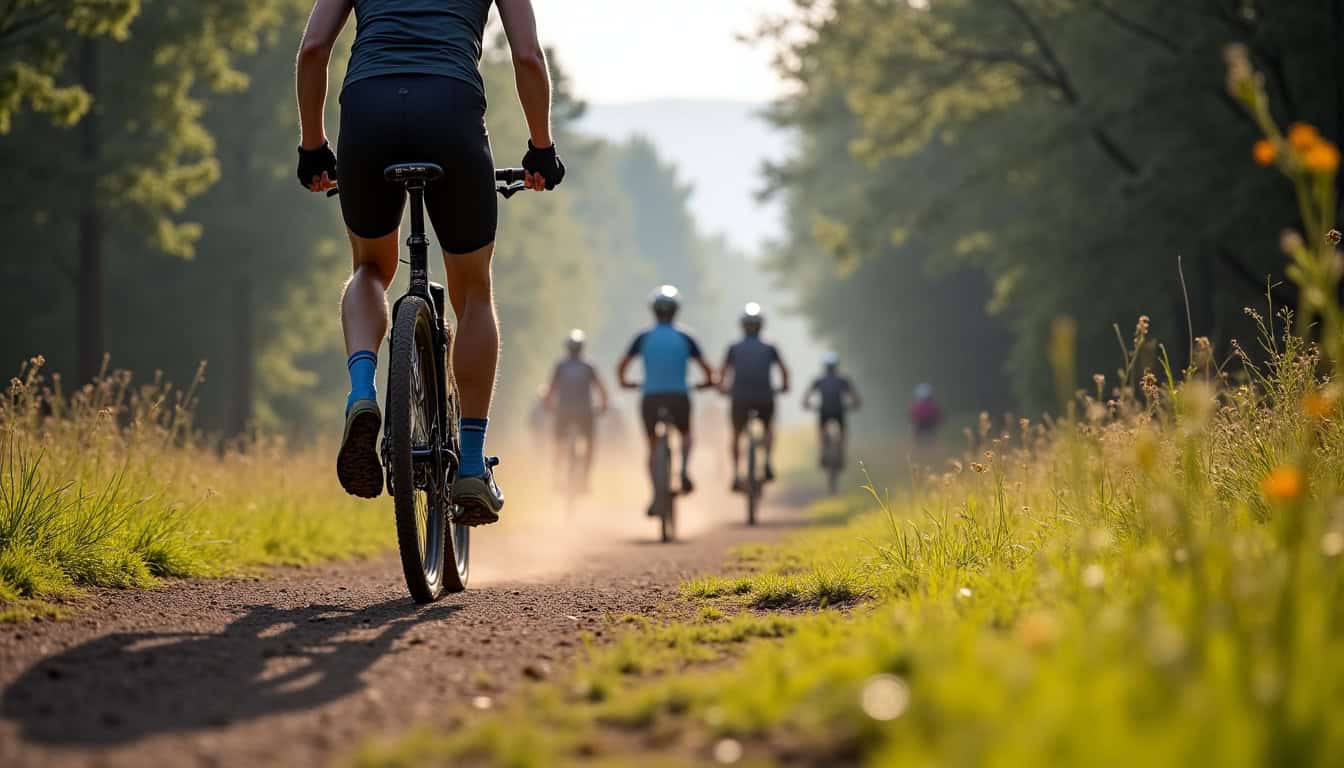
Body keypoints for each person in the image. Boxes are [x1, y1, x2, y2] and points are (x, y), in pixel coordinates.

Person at [295, 0, 565, 525]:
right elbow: (528, 58)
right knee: (473, 293)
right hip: (451, 111)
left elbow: (312, 51)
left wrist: (313, 147)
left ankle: (361, 391)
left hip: (368, 111)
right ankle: (469, 462)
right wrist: (541, 149)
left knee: (370, 269)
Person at [616, 286, 715, 511]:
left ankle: (655, 494)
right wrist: (708, 383)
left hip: (650, 396)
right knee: (687, 434)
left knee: (651, 448)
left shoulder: (643, 336)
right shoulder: (685, 336)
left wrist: (625, 382)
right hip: (679, 395)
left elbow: (622, 366)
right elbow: (708, 370)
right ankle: (684, 470)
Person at [719, 303, 790, 491]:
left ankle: (735, 473)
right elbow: (784, 371)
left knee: (735, 434)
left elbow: (723, 372)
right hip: (765, 396)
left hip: (739, 397)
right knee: (768, 428)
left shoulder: (733, 347)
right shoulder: (770, 346)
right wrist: (784, 387)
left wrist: (721, 388)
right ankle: (767, 462)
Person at [543, 329, 609, 490]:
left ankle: (557, 477)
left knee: (558, 443)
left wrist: (548, 404)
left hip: (563, 411)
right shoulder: (589, 366)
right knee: (590, 444)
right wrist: (603, 405)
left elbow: (551, 389)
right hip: (585, 411)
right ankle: (585, 479)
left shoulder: (560, 366)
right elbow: (601, 390)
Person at [802, 353, 861, 463]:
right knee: (843, 431)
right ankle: (841, 451)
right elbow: (855, 398)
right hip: (839, 411)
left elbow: (806, 397)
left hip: (824, 411)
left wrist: (808, 405)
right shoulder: (843, 380)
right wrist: (854, 405)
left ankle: (823, 450)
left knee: (821, 430)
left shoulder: (818, 380)